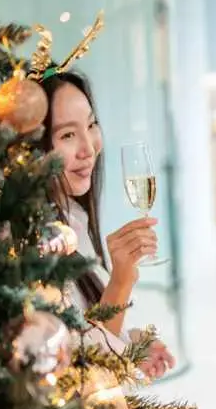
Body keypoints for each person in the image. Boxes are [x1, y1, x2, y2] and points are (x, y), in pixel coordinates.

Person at [40, 69, 174, 380]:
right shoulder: (28, 244)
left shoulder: (71, 217)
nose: (89, 148)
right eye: (67, 135)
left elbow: (86, 327)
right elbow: (78, 375)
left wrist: (131, 345)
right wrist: (120, 282)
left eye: (90, 125)